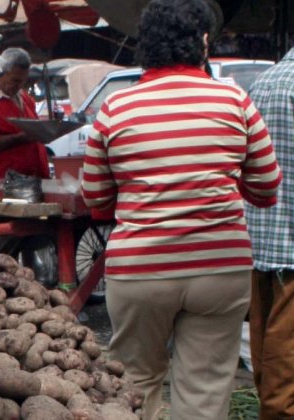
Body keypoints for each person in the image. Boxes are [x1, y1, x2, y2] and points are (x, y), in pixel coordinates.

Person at [80, 1, 282, 419]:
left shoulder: (116, 108)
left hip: (139, 270)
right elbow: (267, 188)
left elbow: (95, 200)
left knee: (133, 381)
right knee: (205, 387)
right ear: (203, 42)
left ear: (144, 45)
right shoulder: (234, 100)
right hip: (219, 268)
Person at [245, 47, 294, 420]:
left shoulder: (263, 83)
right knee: (285, 363)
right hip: (289, 245)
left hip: (263, 236)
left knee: (267, 351)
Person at [0, 47, 50, 184]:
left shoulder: (25, 99)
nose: (19, 86)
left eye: (22, 81)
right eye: (15, 80)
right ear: (0, 73)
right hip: (7, 183)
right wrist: (23, 137)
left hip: (37, 178)